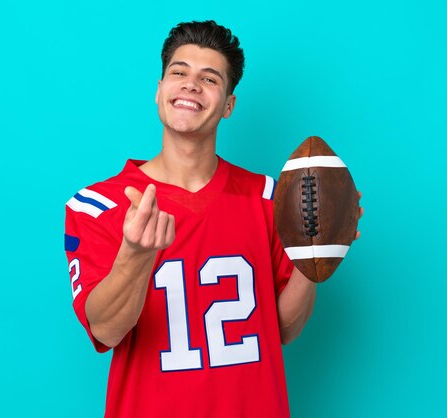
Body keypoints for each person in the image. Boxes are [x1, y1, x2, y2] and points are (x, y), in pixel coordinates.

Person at [65, 20, 332, 418]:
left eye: (209, 78)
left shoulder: (270, 198)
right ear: (158, 91)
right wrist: (136, 254)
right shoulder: (96, 204)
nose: (191, 85)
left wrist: (317, 255)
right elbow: (105, 329)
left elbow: (283, 330)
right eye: (178, 73)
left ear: (228, 105)